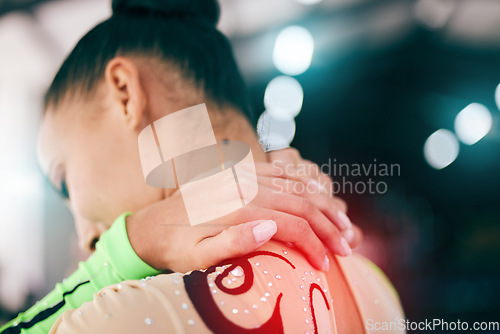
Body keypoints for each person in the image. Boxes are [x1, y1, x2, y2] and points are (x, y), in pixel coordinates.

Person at [0, 0, 403, 332]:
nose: (86, 235)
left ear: (125, 93)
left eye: (64, 181)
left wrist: (123, 251)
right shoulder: (379, 288)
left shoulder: (133, 315)